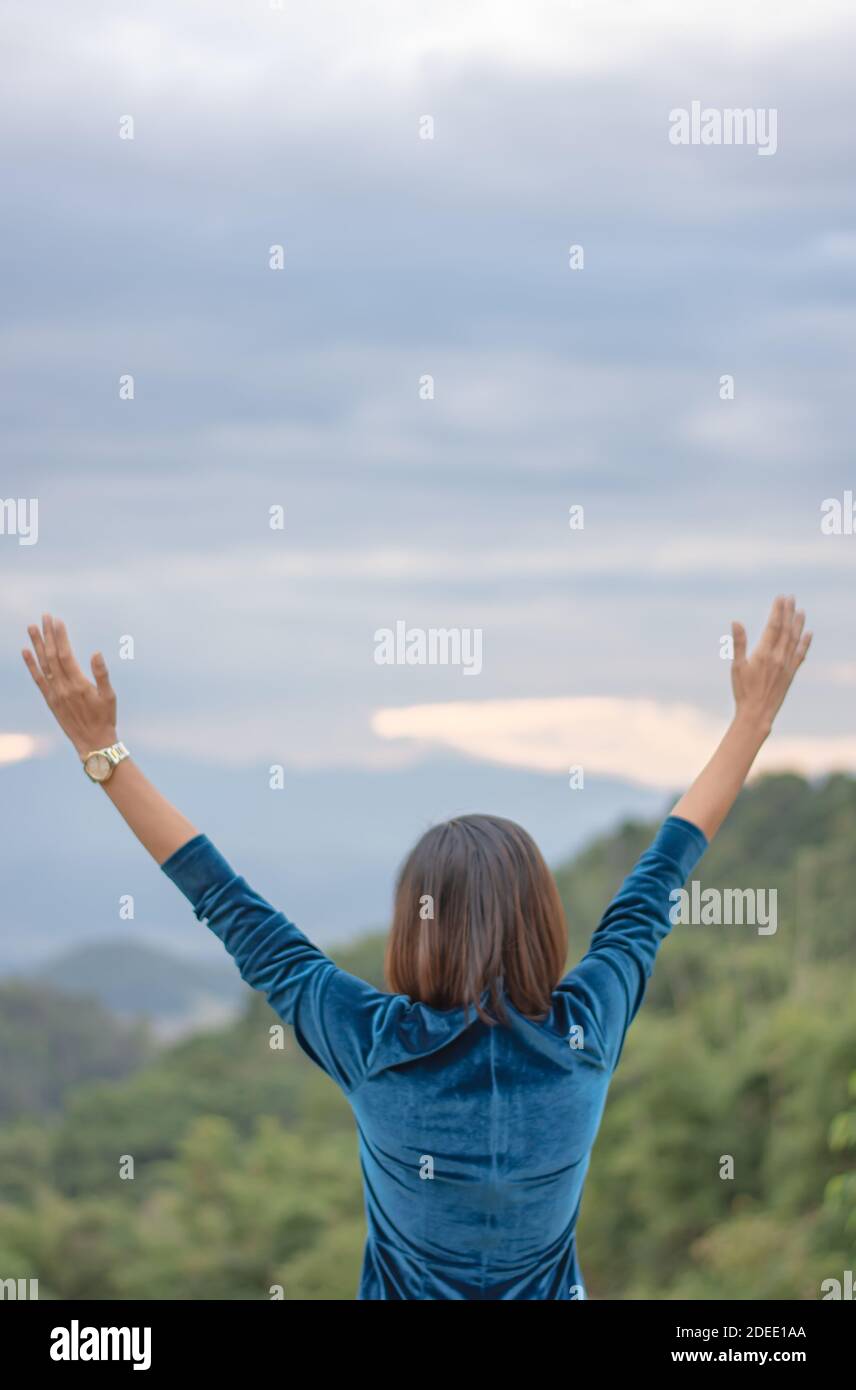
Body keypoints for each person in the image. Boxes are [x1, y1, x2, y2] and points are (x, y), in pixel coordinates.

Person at [21, 597, 811, 1300]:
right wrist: (752, 719)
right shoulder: (587, 1030)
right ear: (542, 919)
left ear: (414, 927)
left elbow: (227, 902)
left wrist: (104, 753)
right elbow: (662, 871)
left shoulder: (375, 1044)